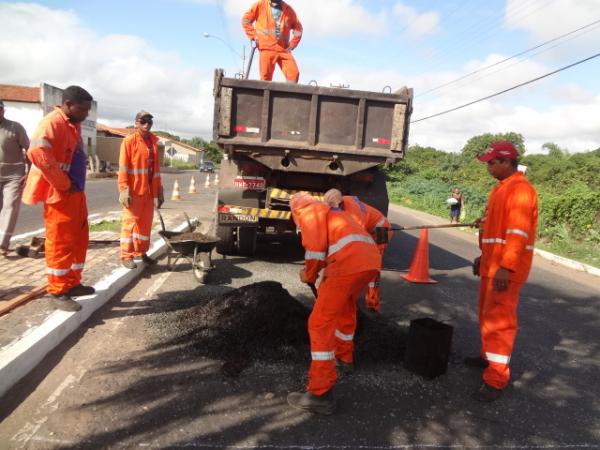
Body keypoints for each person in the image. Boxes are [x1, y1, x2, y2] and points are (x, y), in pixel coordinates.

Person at [286, 192, 381, 415]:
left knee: (319, 323)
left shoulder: (308, 212)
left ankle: (320, 393)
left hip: (347, 264)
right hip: (369, 262)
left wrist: (309, 275)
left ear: (295, 209)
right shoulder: (333, 212)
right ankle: (344, 358)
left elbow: (315, 251)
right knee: (346, 306)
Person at [468, 141, 538, 402]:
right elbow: (497, 231)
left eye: (491, 162)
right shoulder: (502, 189)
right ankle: (488, 358)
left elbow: (517, 234)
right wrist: (482, 256)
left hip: (504, 270)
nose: (488, 167)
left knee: (500, 322)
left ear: (507, 162)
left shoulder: (520, 190)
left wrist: (506, 268)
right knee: (487, 316)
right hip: (493, 266)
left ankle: (496, 379)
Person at [22, 86, 95, 312]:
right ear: (67, 103)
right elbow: (36, 153)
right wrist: (64, 183)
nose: (85, 114)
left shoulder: (72, 123)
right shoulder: (52, 122)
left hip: (75, 194)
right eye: (82, 109)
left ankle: (72, 283)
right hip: (60, 194)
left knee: (79, 239)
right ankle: (57, 290)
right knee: (61, 242)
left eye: (87, 110)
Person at [323, 188, 393, 313]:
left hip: (381, 231)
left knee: (372, 266)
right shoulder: (341, 201)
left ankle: (373, 302)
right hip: (369, 228)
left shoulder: (355, 216)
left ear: (340, 204)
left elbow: (354, 243)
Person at [118, 111, 164, 269]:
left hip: (149, 193)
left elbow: (156, 170)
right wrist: (124, 189)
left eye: (149, 122)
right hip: (134, 192)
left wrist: (159, 191)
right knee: (130, 224)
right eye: (143, 121)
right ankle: (126, 255)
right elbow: (123, 167)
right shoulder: (129, 141)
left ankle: (141, 252)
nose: (146, 125)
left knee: (144, 226)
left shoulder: (153, 142)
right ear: (136, 123)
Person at [242, 0, 303, 83]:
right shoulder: (260, 5)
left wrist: (292, 44)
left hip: (283, 49)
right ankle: (265, 95)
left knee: (293, 73)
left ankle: (289, 95)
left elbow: (298, 29)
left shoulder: (289, 10)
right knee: (265, 77)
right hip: (266, 48)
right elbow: (245, 20)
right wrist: (254, 36)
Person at [0, 99, 30, 256]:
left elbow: (29, 150)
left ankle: (2, 244)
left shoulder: (14, 127)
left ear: (3, 110)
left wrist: (28, 173)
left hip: (13, 176)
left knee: (10, 207)